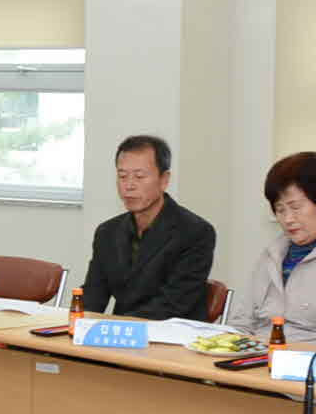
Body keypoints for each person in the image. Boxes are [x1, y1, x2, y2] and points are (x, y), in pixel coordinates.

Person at [224, 151, 316, 345]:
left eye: (295, 207)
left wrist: (281, 359)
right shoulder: (272, 255)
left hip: (308, 360)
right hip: (253, 355)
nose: (288, 219)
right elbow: (241, 324)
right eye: (280, 210)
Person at [81, 134, 217, 320]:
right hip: (121, 331)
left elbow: (173, 304)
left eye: (139, 176)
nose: (129, 185)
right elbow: (93, 295)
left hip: (172, 333)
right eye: (122, 176)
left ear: (164, 180)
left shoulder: (195, 232)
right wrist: (75, 320)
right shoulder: (107, 232)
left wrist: (118, 326)